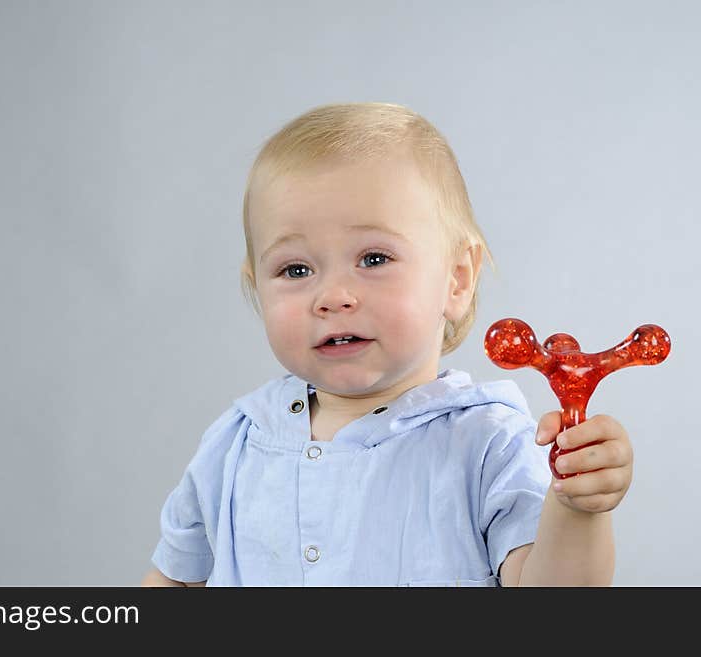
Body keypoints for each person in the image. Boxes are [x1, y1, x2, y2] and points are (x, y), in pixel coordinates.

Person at [140, 102, 633, 587]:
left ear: (457, 280)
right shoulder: (235, 443)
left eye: (374, 258)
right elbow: (175, 581)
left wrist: (577, 512)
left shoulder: (488, 443)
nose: (332, 297)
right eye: (295, 270)